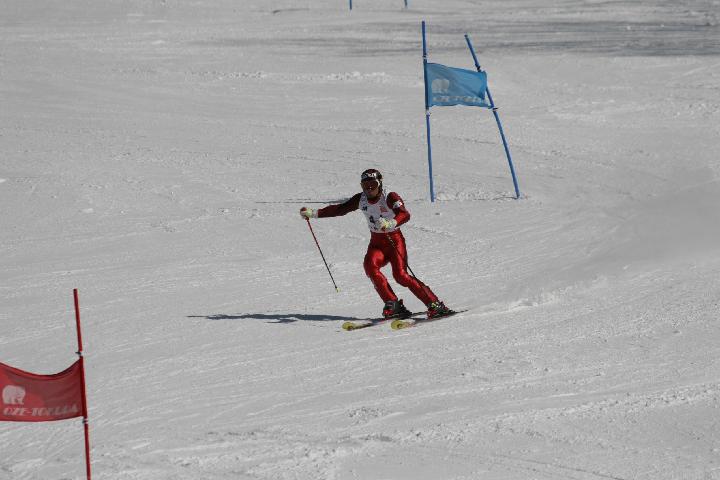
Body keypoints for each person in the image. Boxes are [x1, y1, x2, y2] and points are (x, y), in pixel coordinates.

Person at [300, 168, 452, 319]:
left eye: (373, 184)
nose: (369, 189)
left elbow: (405, 214)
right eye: (365, 186)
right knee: (370, 267)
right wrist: (314, 213)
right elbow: (340, 209)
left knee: (401, 275)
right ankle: (393, 304)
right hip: (377, 242)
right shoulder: (361, 199)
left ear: (380, 183)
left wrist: (391, 223)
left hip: (394, 240)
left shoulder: (389, 196)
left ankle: (434, 303)